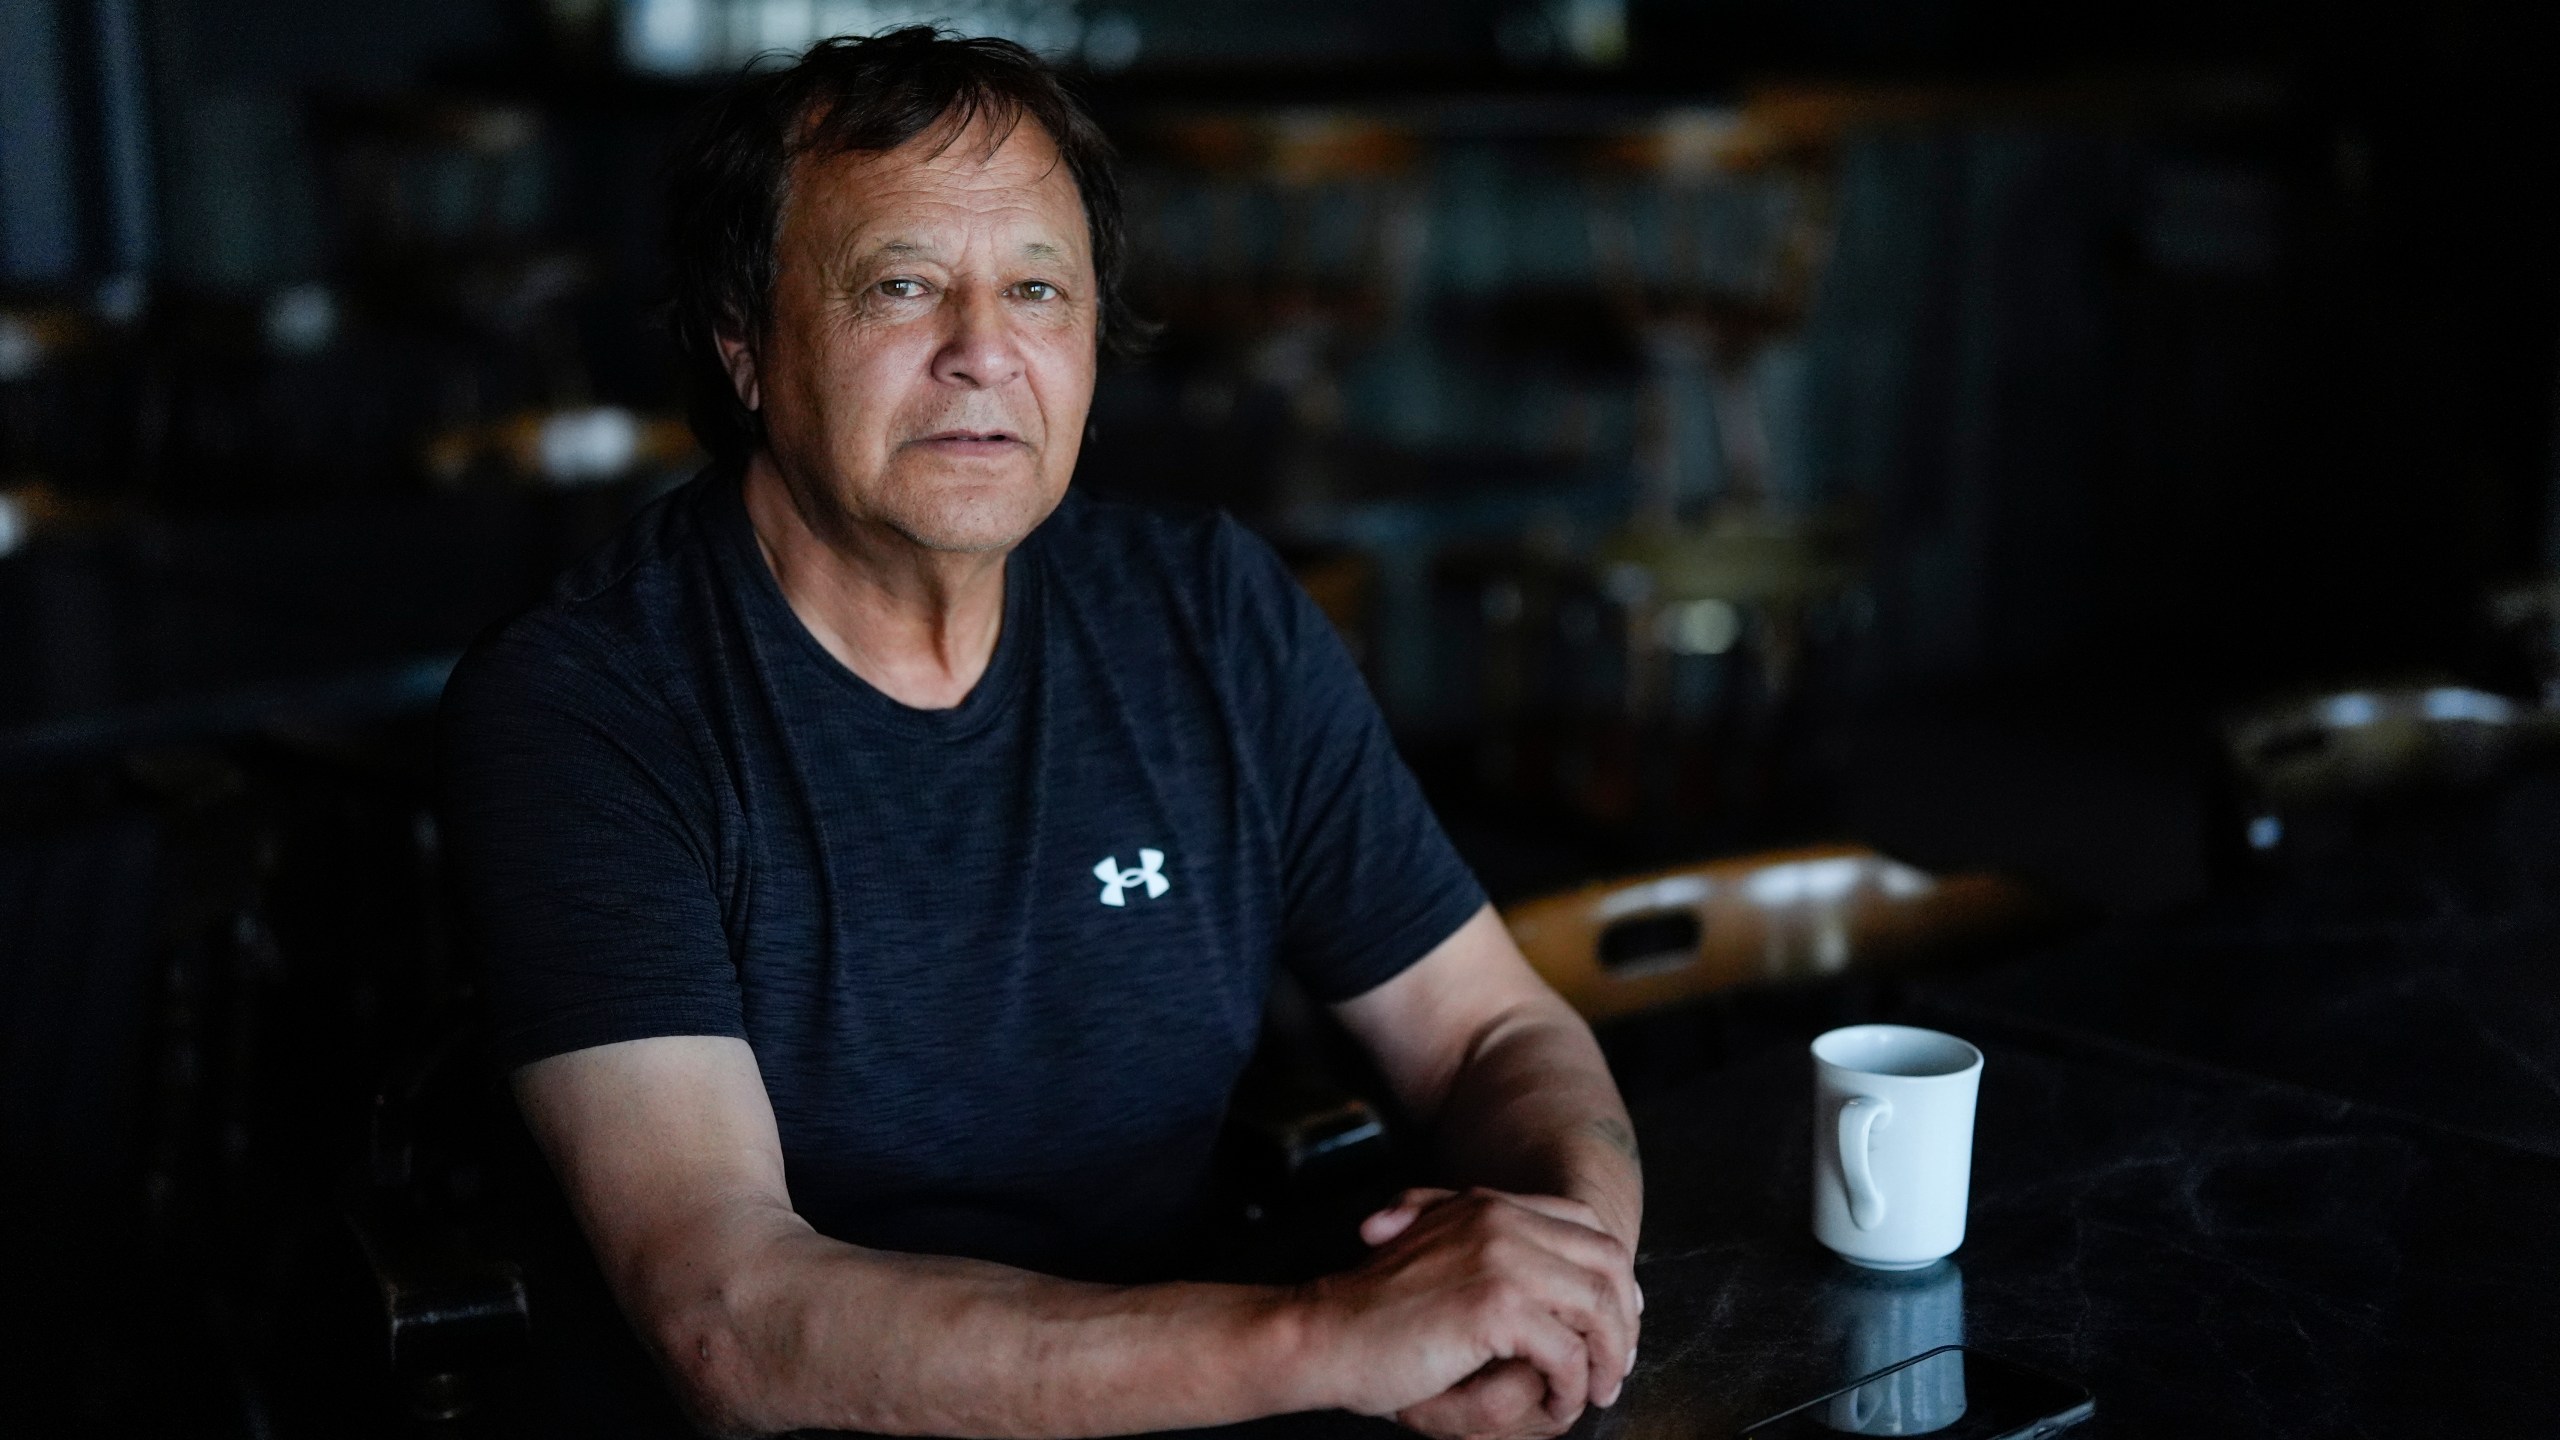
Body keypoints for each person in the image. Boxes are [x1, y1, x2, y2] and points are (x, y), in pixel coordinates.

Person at [438, 28, 1640, 1440]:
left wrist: (1560, 1282)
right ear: (743, 344)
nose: (983, 353)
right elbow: (733, 1318)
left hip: (1199, 1392)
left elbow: (1492, 1030)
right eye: (900, 287)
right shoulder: (589, 707)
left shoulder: (1211, 615)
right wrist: (1325, 1337)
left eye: (1036, 290)